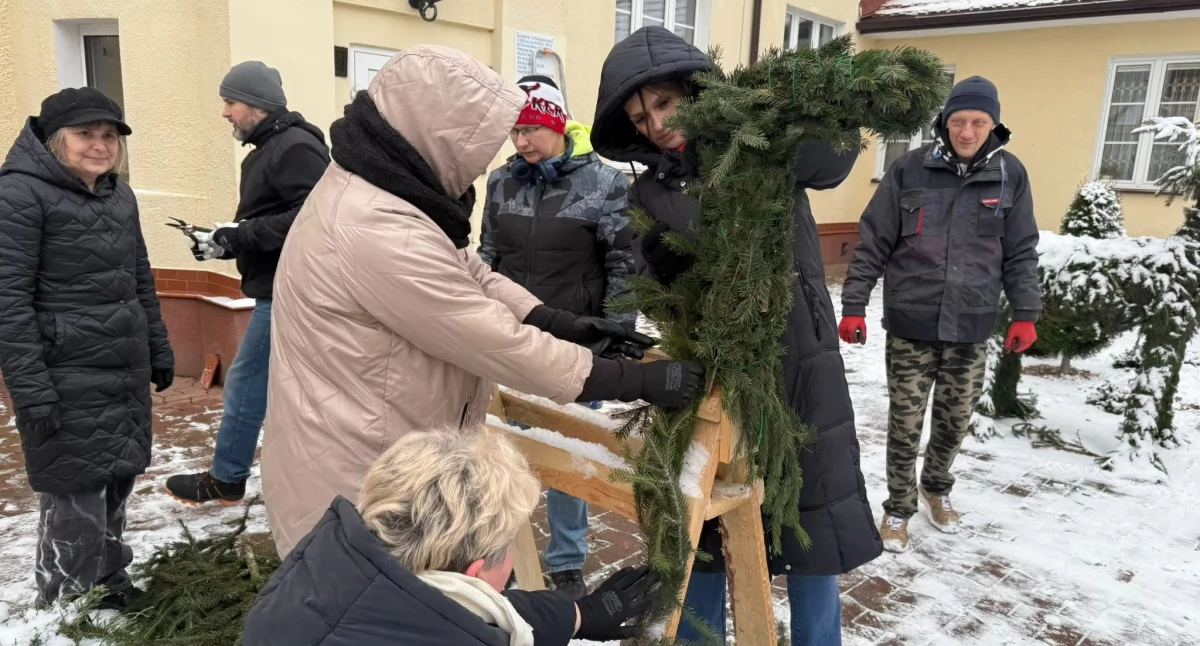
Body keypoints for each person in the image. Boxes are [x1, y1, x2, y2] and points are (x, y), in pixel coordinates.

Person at [260, 45, 706, 558]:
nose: (482, 165)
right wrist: (636, 381)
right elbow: (490, 337)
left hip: (380, 443)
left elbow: (470, 270)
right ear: (438, 134)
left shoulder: (382, 194)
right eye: (479, 146)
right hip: (359, 472)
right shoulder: (374, 228)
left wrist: (558, 321)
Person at [590, 26, 883, 646]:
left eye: (665, 103)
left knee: (812, 526)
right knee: (705, 529)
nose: (656, 124)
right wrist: (669, 268)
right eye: (641, 117)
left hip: (802, 362)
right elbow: (659, 276)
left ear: (695, 91)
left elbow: (833, 157)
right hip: (717, 373)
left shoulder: (759, 143)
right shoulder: (648, 189)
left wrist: (766, 126)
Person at [839, 76, 1041, 553]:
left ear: (994, 124)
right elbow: (874, 239)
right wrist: (853, 304)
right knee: (905, 423)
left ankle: (937, 486)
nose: (966, 132)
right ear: (944, 122)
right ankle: (898, 508)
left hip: (972, 326)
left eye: (978, 122)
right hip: (912, 324)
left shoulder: (1011, 175)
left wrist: (1025, 311)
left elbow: (1021, 250)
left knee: (954, 421)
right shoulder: (910, 169)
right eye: (958, 121)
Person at [244, 425, 659, 645]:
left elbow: (453, 610)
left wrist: (578, 615)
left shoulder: (319, 576)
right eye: (510, 543)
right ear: (476, 573)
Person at [0, 88, 174, 609]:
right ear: (55, 141)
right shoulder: (19, 196)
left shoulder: (119, 195)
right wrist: (31, 391)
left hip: (120, 369)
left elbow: (139, 278)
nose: (99, 146)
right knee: (75, 493)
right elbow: (7, 302)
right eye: (85, 135)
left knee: (117, 478)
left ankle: (109, 585)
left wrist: (159, 347)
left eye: (109, 135)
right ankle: (64, 607)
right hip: (64, 373)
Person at [478, 74, 635, 599]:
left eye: (528, 130)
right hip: (511, 339)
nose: (519, 142)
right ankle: (501, 552)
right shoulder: (502, 183)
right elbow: (487, 257)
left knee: (568, 452)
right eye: (513, 132)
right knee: (505, 450)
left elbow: (623, 263)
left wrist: (617, 330)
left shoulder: (607, 185)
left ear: (556, 125)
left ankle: (566, 559)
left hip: (576, 344)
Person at [166, 61, 330, 505]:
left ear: (257, 105)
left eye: (230, 101)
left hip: (288, 291)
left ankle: (227, 478)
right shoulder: (273, 147)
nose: (225, 112)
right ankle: (304, 480)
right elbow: (271, 220)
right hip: (280, 285)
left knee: (245, 384)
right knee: (283, 389)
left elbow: (313, 217)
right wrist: (222, 242)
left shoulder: (294, 147)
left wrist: (241, 235)